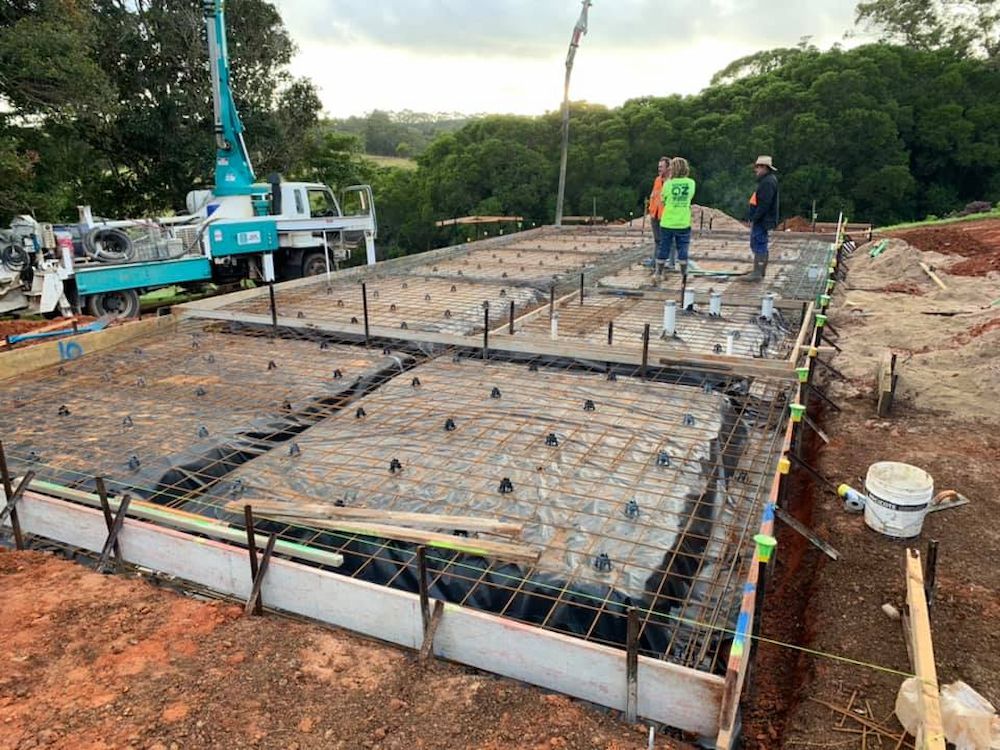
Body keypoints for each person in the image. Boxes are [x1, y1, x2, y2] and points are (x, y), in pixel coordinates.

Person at [657, 156, 696, 278]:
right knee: (683, 248)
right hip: (683, 222)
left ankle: (658, 272)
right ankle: (684, 273)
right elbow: (690, 198)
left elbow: (663, 201)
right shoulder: (691, 183)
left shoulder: (668, 184)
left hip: (667, 222)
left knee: (664, 248)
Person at [746, 155, 780, 280]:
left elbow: (764, 204)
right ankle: (759, 271)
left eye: (758, 167)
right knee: (758, 243)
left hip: (763, 220)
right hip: (762, 219)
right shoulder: (767, 180)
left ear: (765, 168)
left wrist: (755, 218)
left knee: (759, 243)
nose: (756, 170)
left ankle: (757, 273)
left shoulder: (768, 182)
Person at [647, 157, 669, 263]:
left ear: (668, 168)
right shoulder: (657, 180)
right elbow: (653, 195)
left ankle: (669, 263)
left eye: (661, 167)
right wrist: (651, 210)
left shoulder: (671, 182)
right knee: (657, 240)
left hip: (665, 215)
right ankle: (655, 261)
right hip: (655, 214)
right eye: (658, 167)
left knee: (668, 241)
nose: (659, 169)